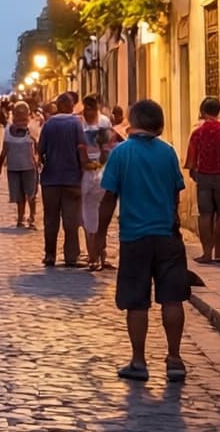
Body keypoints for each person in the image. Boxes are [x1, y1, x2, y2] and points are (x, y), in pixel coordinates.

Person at [95, 99, 190, 382]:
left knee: (137, 302)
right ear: (159, 125)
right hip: (167, 236)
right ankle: (174, 358)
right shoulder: (168, 153)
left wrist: (99, 236)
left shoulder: (121, 154)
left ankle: (138, 361)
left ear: (132, 122)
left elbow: (109, 197)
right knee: (172, 298)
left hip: (134, 237)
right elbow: (176, 192)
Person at [185, 97, 220, 264]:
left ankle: (206, 253)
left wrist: (194, 172)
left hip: (204, 176)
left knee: (205, 214)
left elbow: (192, 159)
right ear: (218, 111)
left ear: (202, 111)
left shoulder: (198, 132)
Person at [37, 94, 88, 267]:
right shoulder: (76, 124)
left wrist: (48, 162)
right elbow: (81, 148)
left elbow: (40, 149)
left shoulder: (49, 124)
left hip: (50, 179)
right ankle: (71, 256)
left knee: (50, 219)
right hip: (72, 178)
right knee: (71, 220)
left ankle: (50, 255)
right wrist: (83, 169)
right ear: (70, 106)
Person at [81, 99, 114, 271]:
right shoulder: (79, 124)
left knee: (102, 217)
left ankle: (101, 255)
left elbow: (107, 148)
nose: (87, 112)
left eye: (91, 109)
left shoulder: (104, 123)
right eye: (85, 109)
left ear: (97, 109)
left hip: (102, 173)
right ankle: (92, 255)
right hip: (85, 174)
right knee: (88, 217)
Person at [0, 100, 39, 230]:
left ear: (27, 113)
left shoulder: (31, 128)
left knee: (31, 193)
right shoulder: (8, 130)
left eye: (23, 112)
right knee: (19, 195)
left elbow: (38, 146)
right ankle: (20, 217)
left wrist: (38, 160)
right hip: (14, 168)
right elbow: (4, 149)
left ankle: (32, 217)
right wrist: (0, 164)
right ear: (14, 114)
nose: (21, 115)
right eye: (18, 112)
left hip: (29, 167)